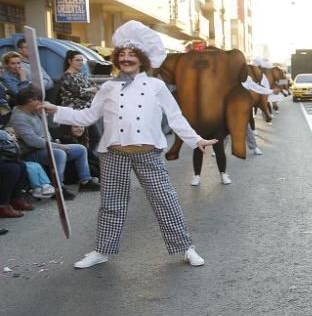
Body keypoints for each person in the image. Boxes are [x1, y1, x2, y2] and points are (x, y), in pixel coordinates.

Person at [42, 21, 217, 269]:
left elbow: (176, 118)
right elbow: (87, 117)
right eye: (122, 55)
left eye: (131, 55)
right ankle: (102, 251)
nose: (125, 59)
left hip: (148, 154)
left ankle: (185, 248)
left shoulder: (156, 86)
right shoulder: (108, 88)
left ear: (142, 60)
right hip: (114, 155)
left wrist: (196, 140)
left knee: (166, 202)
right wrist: (55, 109)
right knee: (111, 206)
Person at [10, 88, 98, 199]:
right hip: (30, 152)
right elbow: (32, 141)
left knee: (80, 149)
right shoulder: (19, 117)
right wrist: (57, 146)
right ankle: (58, 188)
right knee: (58, 153)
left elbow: (54, 125)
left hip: (45, 146)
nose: (41, 102)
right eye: (38, 100)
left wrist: (49, 113)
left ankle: (85, 181)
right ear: (30, 101)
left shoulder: (34, 111)